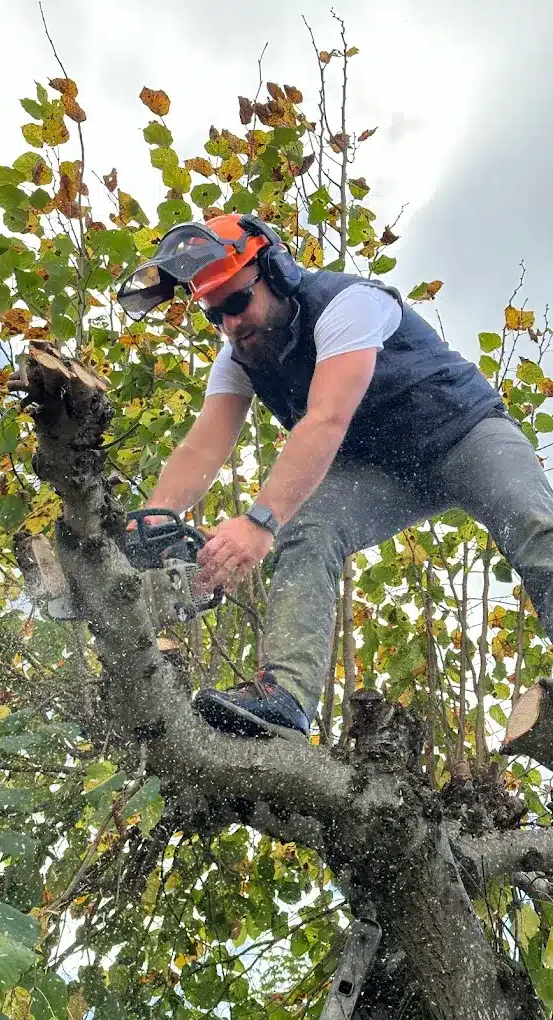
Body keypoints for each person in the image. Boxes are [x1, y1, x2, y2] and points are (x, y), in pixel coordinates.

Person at [117, 213, 553, 741]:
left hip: (463, 433)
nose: (231, 324)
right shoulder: (240, 357)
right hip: (382, 471)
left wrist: (258, 522)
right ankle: (284, 701)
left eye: (236, 303)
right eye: (215, 315)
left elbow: (326, 420)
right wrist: (154, 520)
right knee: (308, 531)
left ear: (274, 273)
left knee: (534, 528)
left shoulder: (348, 305)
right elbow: (203, 445)